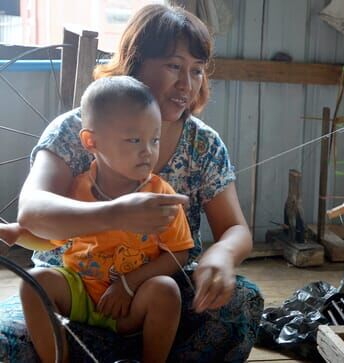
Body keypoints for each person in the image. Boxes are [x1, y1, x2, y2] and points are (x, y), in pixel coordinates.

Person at [0, 4, 263, 362]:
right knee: (5, 339)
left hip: (152, 300)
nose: (186, 84)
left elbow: (235, 228)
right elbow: (32, 211)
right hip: (72, 292)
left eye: (197, 71)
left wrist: (221, 255)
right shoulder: (74, 130)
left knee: (241, 304)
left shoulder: (203, 143)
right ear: (136, 62)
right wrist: (115, 214)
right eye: (174, 66)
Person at [19, 76, 195, 363]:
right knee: (35, 282)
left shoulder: (159, 195)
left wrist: (128, 285)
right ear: (91, 141)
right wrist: (17, 234)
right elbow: (51, 239)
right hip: (79, 294)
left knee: (166, 290)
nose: (147, 151)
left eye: (155, 139)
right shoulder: (76, 189)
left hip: (131, 304)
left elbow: (179, 252)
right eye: (134, 140)